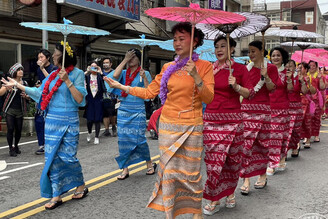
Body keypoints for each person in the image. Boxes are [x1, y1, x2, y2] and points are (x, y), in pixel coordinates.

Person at [105, 22, 214, 219]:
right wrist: (123, 87)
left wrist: (196, 76)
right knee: (170, 173)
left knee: (191, 174)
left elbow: (208, 98)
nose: (177, 43)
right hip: (168, 126)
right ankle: (170, 214)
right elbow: (149, 92)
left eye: (182, 39)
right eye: (175, 40)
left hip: (192, 126)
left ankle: (196, 212)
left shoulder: (204, 66)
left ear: (195, 41)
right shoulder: (168, 67)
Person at [2, 41, 88, 209]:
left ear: (63, 57)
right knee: (52, 159)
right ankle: (56, 195)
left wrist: (68, 81)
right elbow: (39, 93)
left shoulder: (77, 74)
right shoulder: (52, 74)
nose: (53, 56)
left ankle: (80, 185)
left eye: (56, 54)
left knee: (68, 157)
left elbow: (80, 100)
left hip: (69, 121)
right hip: (52, 122)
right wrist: (18, 85)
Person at [202, 36, 251, 216]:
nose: (219, 49)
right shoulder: (208, 69)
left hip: (233, 121)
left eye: (224, 46)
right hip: (211, 120)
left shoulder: (239, 68)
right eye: (216, 46)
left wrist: (236, 86)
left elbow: (249, 93)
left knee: (231, 161)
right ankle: (214, 198)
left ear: (232, 49)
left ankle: (230, 192)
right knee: (214, 162)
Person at [104, 48, 157, 181]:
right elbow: (114, 77)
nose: (130, 59)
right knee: (123, 139)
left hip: (138, 109)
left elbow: (148, 93)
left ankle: (149, 164)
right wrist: (125, 60)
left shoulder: (143, 73)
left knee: (139, 138)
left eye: (133, 57)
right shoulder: (123, 72)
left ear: (139, 59)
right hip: (123, 109)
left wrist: (145, 78)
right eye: (128, 57)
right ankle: (125, 168)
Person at [239, 40, 278, 195]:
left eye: (253, 51)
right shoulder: (245, 69)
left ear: (262, 51)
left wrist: (266, 76)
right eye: (249, 51)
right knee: (246, 145)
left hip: (264, 111)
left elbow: (272, 89)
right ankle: (246, 178)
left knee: (262, 145)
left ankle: (262, 175)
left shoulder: (271, 68)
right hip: (247, 110)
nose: (250, 54)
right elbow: (244, 90)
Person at [266, 47, 290, 175]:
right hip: (268, 107)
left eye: (278, 55)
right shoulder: (267, 71)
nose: (275, 57)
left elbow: (290, 89)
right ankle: (279, 158)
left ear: (282, 58)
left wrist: (290, 79)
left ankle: (272, 163)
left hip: (282, 108)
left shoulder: (287, 72)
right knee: (270, 136)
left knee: (277, 136)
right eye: (273, 55)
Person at [0, 63, 29, 157]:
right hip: (10, 109)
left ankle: (16, 145)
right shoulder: (9, 82)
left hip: (20, 109)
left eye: (22, 69)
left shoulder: (24, 83)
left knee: (19, 130)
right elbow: (0, 93)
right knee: (10, 128)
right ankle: (10, 148)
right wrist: (6, 88)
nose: (21, 71)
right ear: (14, 72)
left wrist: (26, 96)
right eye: (19, 70)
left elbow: (30, 96)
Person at [35, 49, 58, 155]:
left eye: (42, 57)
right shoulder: (39, 70)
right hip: (42, 97)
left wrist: (42, 68)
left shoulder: (54, 68)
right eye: (39, 57)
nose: (40, 59)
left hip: (52, 98)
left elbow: (51, 80)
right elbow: (43, 82)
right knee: (39, 120)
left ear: (48, 58)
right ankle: (42, 144)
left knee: (50, 121)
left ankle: (52, 143)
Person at [286, 60, 307, 157]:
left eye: (291, 66)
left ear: (295, 67)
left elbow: (305, 91)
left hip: (297, 106)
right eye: (287, 65)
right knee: (286, 130)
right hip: (285, 106)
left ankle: (295, 146)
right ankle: (284, 151)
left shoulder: (299, 78)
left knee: (295, 129)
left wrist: (302, 82)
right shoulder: (282, 77)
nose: (289, 68)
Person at [303, 60, 325, 147]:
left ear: (316, 67)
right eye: (310, 65)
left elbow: (323, 87)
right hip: (307, 99)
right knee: (307, 118)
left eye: (313, 66)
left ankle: (316, 135)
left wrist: (320, 78)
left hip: (316, 99)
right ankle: (306, 136)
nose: (312, 67)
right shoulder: (305, 76)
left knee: (316, 118)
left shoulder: (319, 76)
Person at [84, 61, 105, 145]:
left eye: (95, 67)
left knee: (97, 119)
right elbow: (80, 78)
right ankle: (89, 132)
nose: (93, 68)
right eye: (92, 66)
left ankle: (96, 136)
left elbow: (105, 83)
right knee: (89, 119)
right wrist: (87, 71)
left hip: (98, 99)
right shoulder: (87, 76)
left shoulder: (100, 76)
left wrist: (101, 72)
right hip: (90, 99)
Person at [101, 57, 117, 137]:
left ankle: (114, 127)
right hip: (103, 96)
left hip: (112, 95)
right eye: (104, 63)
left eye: (107, 62)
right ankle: (106, 130)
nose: (105, 64)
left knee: (112, 113)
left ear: (111, 64)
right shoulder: (100, 72)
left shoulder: (114, 73)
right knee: (105, 114)